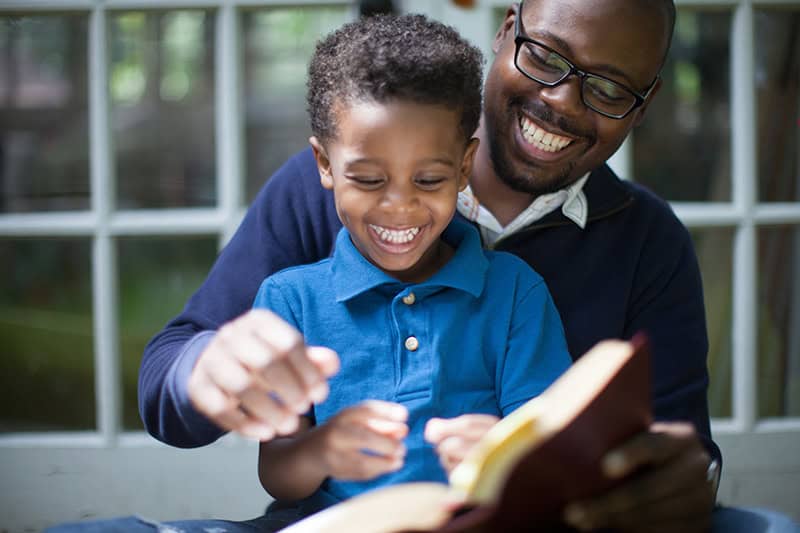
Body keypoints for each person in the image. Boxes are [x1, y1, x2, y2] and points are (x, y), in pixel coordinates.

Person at [50, 0, 799, 532]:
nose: (561, 101)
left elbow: (683, 454)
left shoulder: (646, 241)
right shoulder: (332, 189)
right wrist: (207, 369)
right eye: (545, 56)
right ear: (507, 30)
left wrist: (680, 481)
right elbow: (171, 384)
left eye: (607, 88)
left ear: (643, 104)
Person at [252, 14, 571, 513]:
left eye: (428, 180)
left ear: (463, 167)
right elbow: (276, 474)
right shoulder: (289, 302)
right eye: (368, 180)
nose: (399, 207)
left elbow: (551, 464)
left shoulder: (514, 293)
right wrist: (320, 449)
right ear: (325, 165)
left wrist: (500, 453)